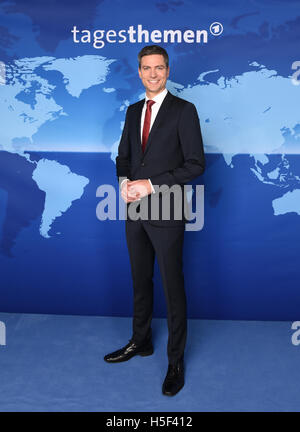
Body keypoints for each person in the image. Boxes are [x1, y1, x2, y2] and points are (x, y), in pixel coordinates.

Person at [104, 45, 205, 396]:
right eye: (146, 68)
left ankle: (175, 361)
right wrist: (122, 183)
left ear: (167, 70)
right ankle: (141, 341)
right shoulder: (133, 111)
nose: (152, 74)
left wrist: (148, 184)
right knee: (140, 281)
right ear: (139, 71)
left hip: (168, 210)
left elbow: (195, 165)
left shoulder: (184, 111)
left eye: (158, 68)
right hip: (134, 212)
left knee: (172, 287)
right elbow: (124, 157)